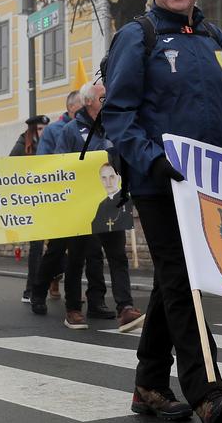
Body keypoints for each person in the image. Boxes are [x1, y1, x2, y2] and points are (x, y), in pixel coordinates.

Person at [102, 0, 222, 423]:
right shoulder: (138, 37)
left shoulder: (214, 37)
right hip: (160, 183)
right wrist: (152, 159)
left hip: (214, 186)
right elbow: (118, 116)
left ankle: (149, 384)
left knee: (182, 280)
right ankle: (207, 393)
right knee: (182, 279)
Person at [31, 81, 143, 331]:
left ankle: (125, 307)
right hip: (80, 206)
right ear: (89, 101)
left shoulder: (115, 126)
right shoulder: (71, 131)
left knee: (117, 256)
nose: (109, 99)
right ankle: (73, 309)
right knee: (77, 257)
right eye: (104, 96)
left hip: (112, 203)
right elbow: (60, 165)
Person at [11, 114, 51, 304]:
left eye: (46, 128)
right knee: (36, 248)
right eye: (40, 129)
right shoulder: (22, 144)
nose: (44, 132)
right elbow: (10, 166)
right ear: (33, 129)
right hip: (32, 202)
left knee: (58, 248)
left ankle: (51, 282)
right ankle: (31, 290)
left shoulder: (51, 141)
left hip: (51, 200)